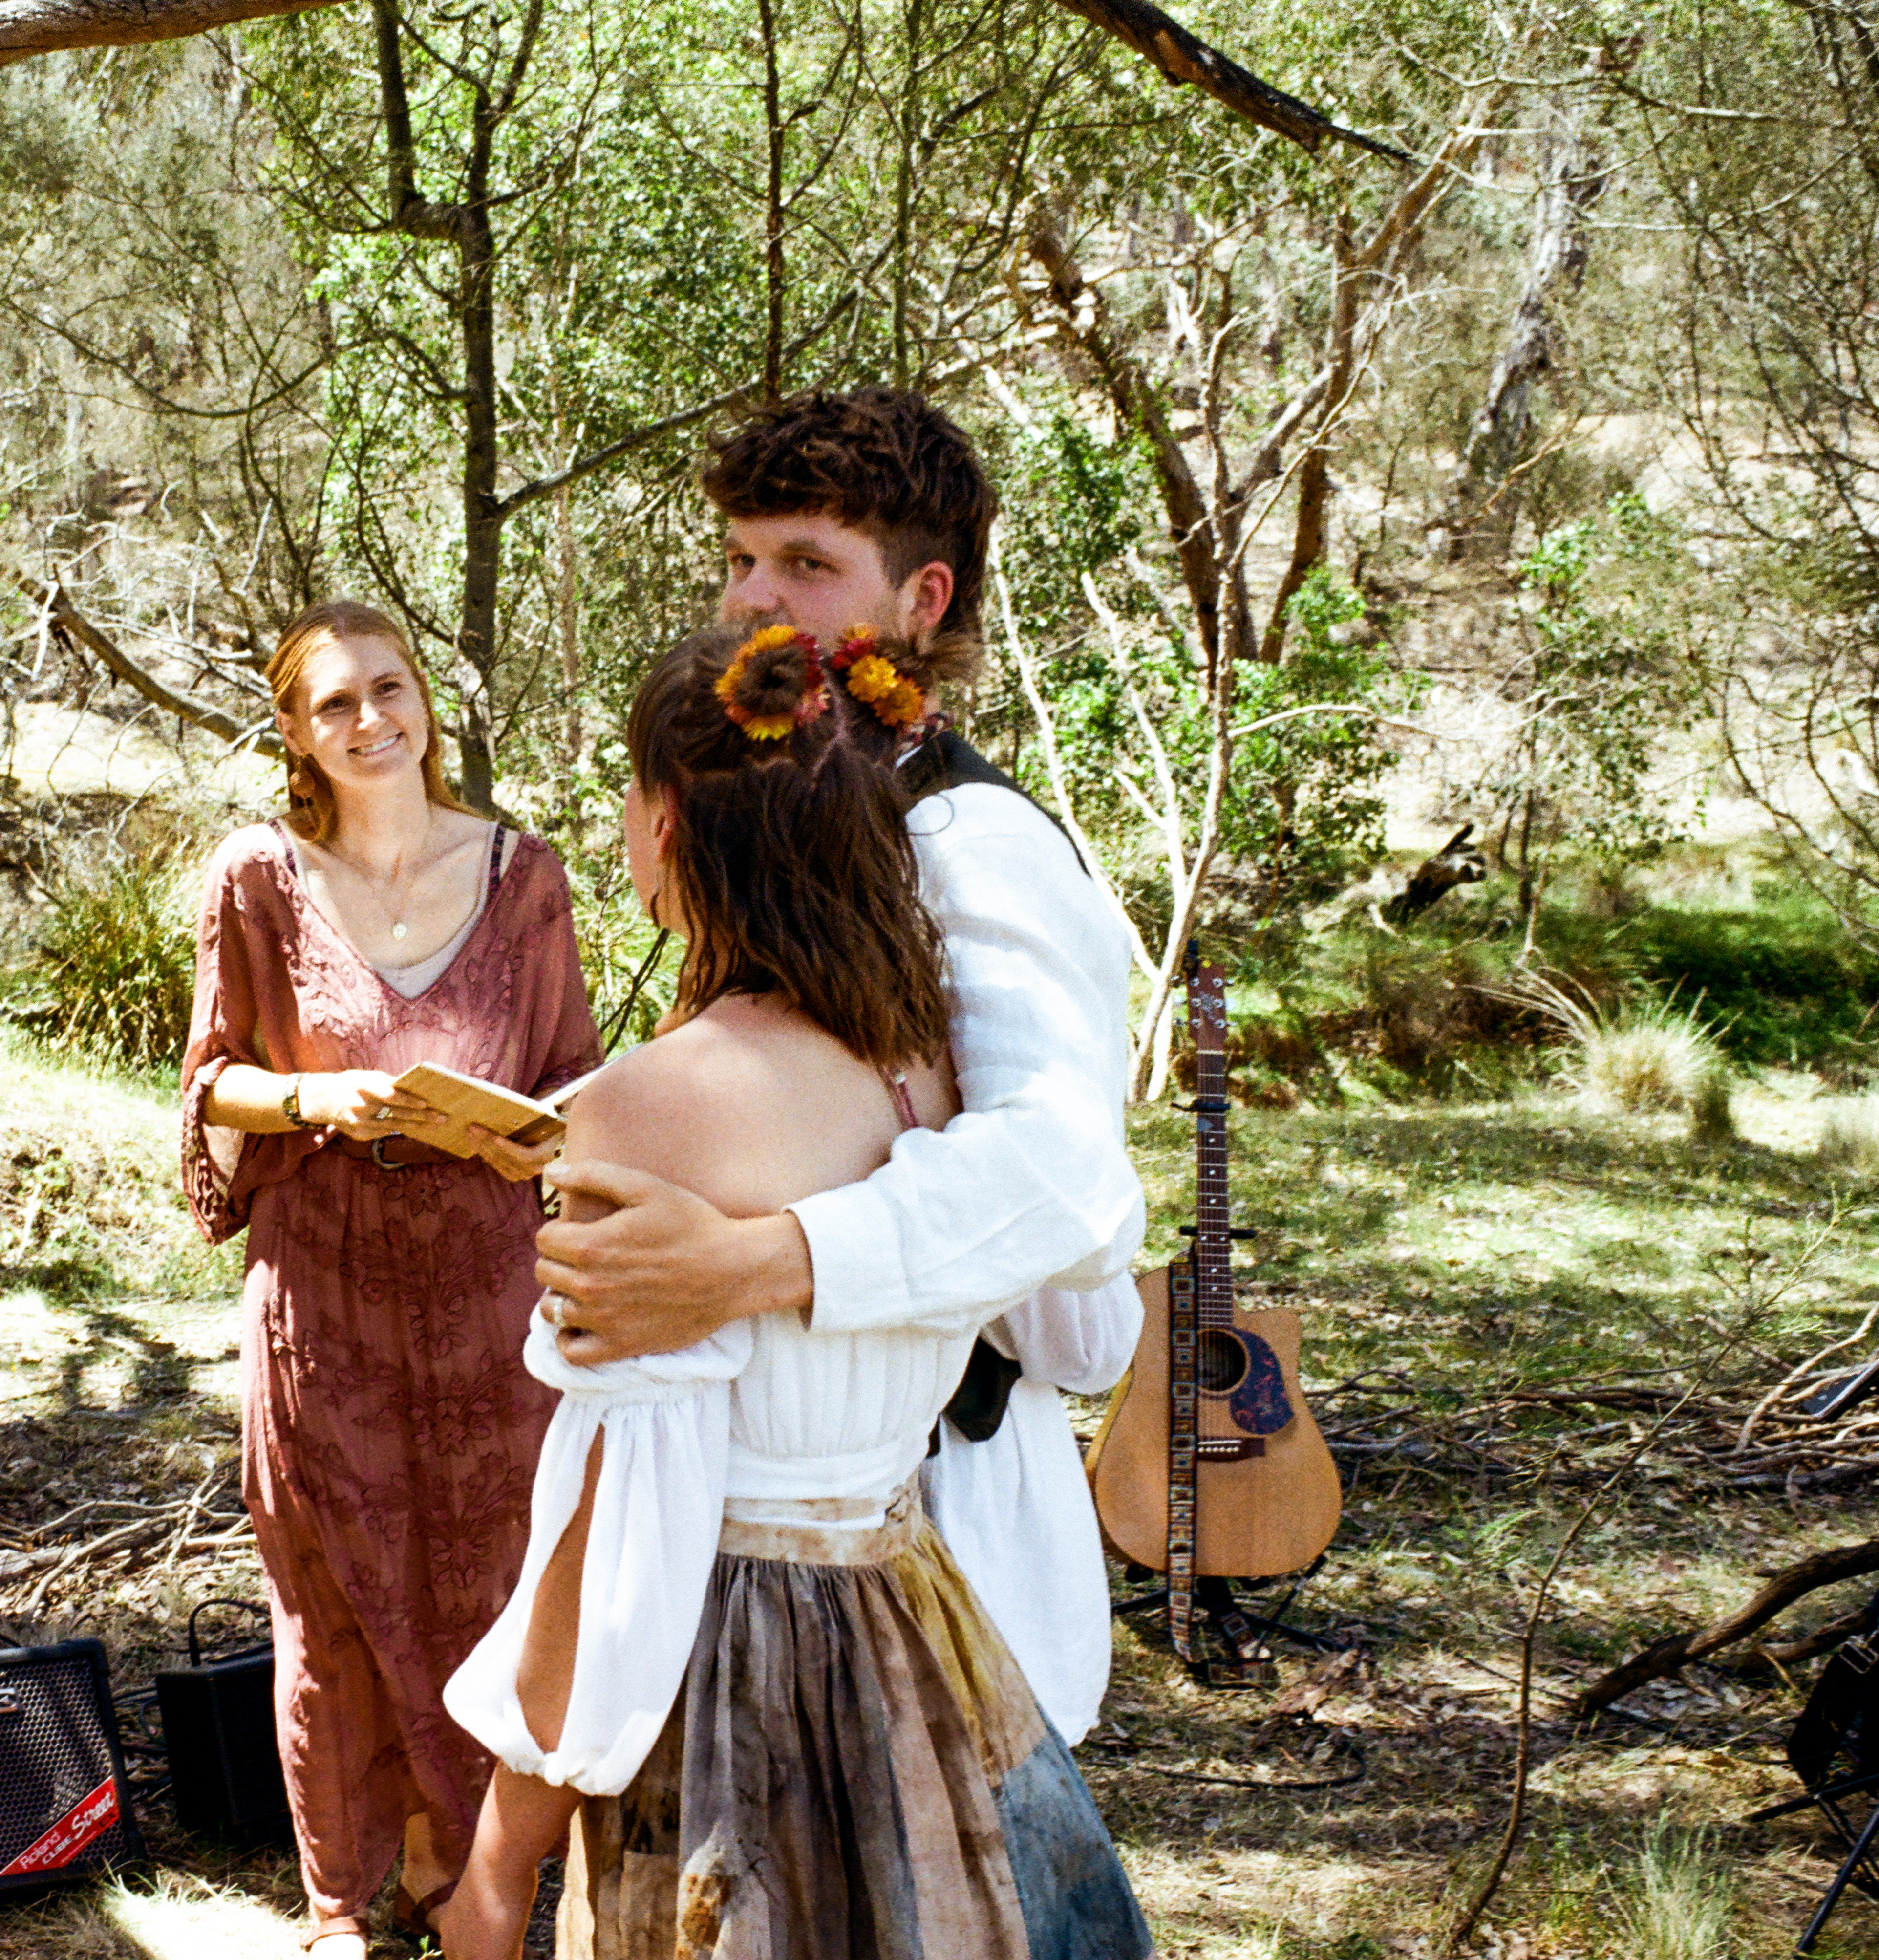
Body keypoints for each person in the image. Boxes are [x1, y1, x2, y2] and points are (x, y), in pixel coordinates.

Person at [434, 621, 1154, 1960]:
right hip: (914, 1627)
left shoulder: (650, 1107)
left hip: (735, 1684)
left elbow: (616, 1546)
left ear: (663, 829)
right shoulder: (926, 1075)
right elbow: (1084, 1317)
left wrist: (495, 1863)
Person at [536, 388, 1146, 1745]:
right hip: (755, 1544)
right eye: (741, 559)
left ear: (922, 600)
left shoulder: (972, 841)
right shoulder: (797, 818)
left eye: (806, 565)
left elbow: (1064, 1178)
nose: (755, 601)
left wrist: (746, 1263)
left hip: (935, 1532)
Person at [178, 600, 602, 1957]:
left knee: (494, 1579)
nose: (372, 721)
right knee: (337, 1599)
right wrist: (319, 1100)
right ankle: (337, 1904)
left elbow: (577, 1072)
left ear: (427, 699)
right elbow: (211, 1090)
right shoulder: (259, 877)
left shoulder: (525, 874)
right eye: (335, 705)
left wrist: (543, 1125)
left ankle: (464, 1870)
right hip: (327, 1296)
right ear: (296, 734)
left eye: (390, 689)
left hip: (492, 1298)